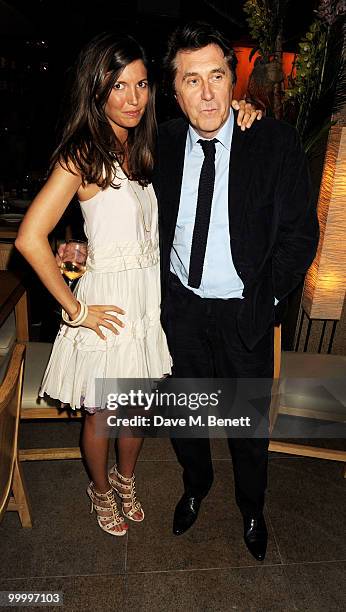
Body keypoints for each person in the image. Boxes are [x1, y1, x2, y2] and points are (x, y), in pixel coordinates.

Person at [15, 31, 260, 536]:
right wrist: (76, 310)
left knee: (137, 410)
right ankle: (100, 490)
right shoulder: (83, 153)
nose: (131, 98)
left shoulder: (148, 146)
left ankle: (127, 480)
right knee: (102, 415)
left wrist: (241, 106)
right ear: (96, 90)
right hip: (108, 304)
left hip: (149, 298)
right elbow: (29, 238)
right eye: (118, 86)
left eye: (141, 84)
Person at [154, 22, 319, 560]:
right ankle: (196, 486)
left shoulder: (272, 142)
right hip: (180, 308)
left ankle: (252, 507)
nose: (207, 93)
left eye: (217, 77)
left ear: (234, 79)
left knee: (248, 425)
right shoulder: (159, 145)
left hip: (245, 309)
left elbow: (300, 233)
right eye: (192, 80)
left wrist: (268, 298)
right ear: (175, 92)